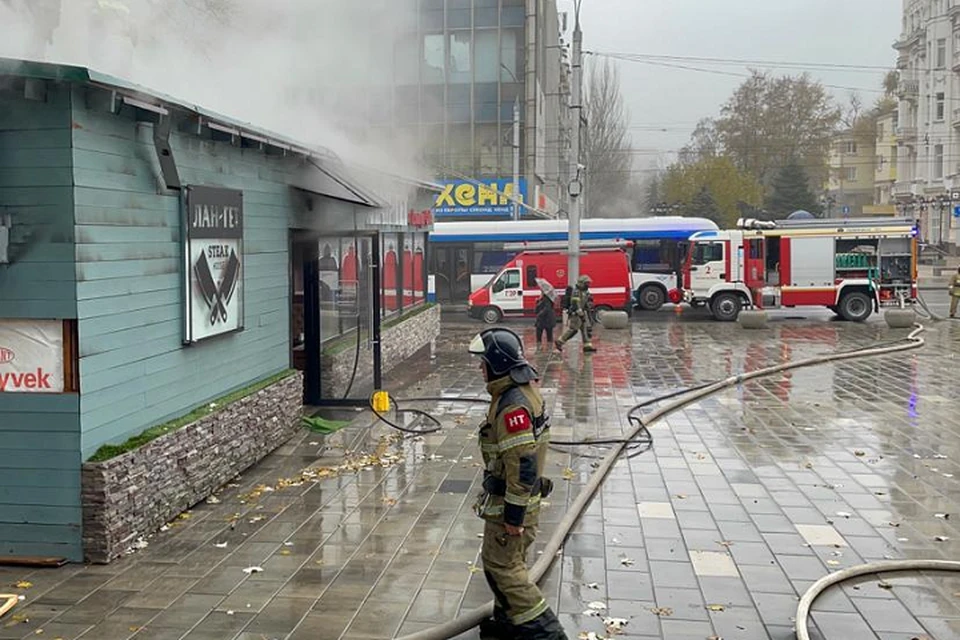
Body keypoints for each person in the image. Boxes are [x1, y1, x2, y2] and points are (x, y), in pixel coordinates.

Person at [468, 328, 566, 640]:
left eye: (483, 363)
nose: (479, 368)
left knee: (504, 570)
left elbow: (522, 464)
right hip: (516, 503)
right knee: (506, 564)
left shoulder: (512, 405)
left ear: (496, 364)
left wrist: (513, 517)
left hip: (512, 507)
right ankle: (510, 621)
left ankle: (547, 632)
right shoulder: (517, 391)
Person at [555, 276, 596, 353]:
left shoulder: (585, 292)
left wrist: (589, 306)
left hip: (583, 313)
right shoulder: (576, 292)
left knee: (585, 330)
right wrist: (581, 314)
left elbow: (587, 302)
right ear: (581, 283)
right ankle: (559, 342)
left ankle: (587, 346)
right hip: (576, 315)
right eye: (586, 283)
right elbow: (575, 304)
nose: (588, 285)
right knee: (573, 330)